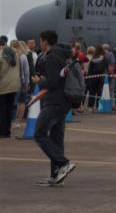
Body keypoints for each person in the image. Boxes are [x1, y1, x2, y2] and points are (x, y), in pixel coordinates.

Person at [29, 30, 76, 185]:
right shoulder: (63, 55)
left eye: (40, 41)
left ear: (45, 42)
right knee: (56, 138)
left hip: (54, 101)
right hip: (64, 101)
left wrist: (39, 81)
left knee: (39, 133)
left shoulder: (51, 58)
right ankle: (57, 175)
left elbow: (53, 82)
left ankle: (63, 163)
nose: (39, 43)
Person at [0, 35, 19, 138]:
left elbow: (2, 70)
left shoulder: (2, 54)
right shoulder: (15, 52)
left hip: (4, 85)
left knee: (3, 109)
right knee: (9, 108)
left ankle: (3, 131)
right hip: (14, 85)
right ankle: (7, 131)